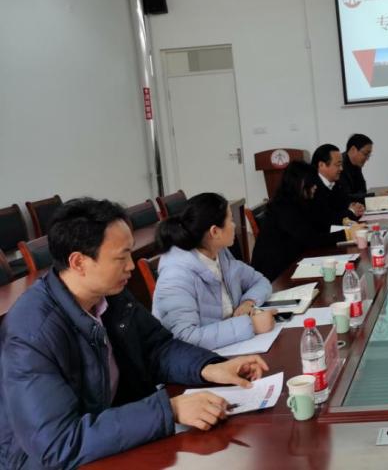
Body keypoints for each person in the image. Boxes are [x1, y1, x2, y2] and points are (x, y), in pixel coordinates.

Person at [0, 198, 269, 469]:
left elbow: (157, 348)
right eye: (121, 257)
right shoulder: (31, 333)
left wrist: (209, 368)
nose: (131, 265)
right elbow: (58, 443)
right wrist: (170, 410)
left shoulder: (110, 294)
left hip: (111, 438)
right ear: (79, 262)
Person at [153, 193, 275, 351]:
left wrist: (248, 301)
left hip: (231, 345)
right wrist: (251, 325)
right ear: (215, 232)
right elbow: (184, 337)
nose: (234, 225)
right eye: (230, 220)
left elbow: (260, 281)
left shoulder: (219, 253)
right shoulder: (175, 275)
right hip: (201, 358)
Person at [252, 161, 366, 282]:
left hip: (293, 261)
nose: (315, 186)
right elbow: (311, 239)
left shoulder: (298, 202)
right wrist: (346, 234)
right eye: (312, 183)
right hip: (276, 274)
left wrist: (345, 223)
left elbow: (319, 224)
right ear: (300, 183)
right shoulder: (284, 208)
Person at [311, 143, 365, 225]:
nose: (341, 168)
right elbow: (327, 219)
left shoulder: (337, 184)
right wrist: (351, 211)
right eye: (338, 165)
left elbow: (344, 206)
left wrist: (355, 207)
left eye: (341, 165)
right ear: (321, 165)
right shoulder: (311, 188)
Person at [339, 133, 374, 203]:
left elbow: (362, 190)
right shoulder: (340, 166)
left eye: (369, 155)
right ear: (353, 149)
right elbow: (346, 197)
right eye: (365, 154)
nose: (367, 158)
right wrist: (374, 196)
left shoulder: (356, 164)